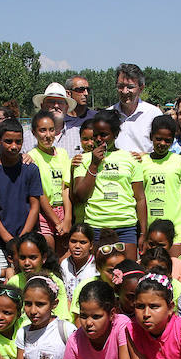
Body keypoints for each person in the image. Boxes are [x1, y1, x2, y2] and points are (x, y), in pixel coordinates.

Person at [72, 109, 147, 259]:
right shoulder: (83, 159)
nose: (99, 139)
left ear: (115, 134)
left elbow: (140, 198)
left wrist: (143, 232)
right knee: (98, 275)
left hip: (125, 226)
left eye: (104, 135)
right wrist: (94, 164)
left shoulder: (131, 159)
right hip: (96, 225)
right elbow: (80, 196)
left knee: (128, 274)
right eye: (96, 135)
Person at [0, 119, 43, 287]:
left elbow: (35, 206)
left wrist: (21, 238)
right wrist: (8, 239)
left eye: (18, 141)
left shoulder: (30, 169)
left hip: (27, 240)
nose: (14, 146)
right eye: (8, 141)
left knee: (30, 285)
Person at [27, 110, 73, 253]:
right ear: (34, 133)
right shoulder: (32, 157)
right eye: (42, 130)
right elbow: (40, 194)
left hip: (63, 211)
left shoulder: (63, 154)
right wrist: (56, 222)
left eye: (51, 130)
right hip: (44, 214)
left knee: (65, 256)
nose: (48, 135)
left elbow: (66, 188)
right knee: (49, 255)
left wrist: (67, 219)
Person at [143, 115, 181, 250]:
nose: (162, 143)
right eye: (158, 139)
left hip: (176, 230)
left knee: (175, 269)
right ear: (151, 136)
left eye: (167, 140)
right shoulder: (142, 162)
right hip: (151, 231)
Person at [5, 232, 71, 321]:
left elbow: (62, 317)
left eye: (32, 257)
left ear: (43, 258)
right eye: (22, 258)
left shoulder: (54, 282)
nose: (27, 263)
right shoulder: (14, 282)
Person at [111, 63, 163, 154]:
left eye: (130, 87)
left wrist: (145, 156)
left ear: (141, 88)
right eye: (121, 86)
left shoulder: (154, 114)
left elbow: (164, 147)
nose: (125, 91)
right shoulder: (108, 114)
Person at [23, 83, 82, 157]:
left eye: (60, 102)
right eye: (51, 101)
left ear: (67, 107)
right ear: (42, 106)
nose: (56, 106)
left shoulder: (79, 136)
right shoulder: (26, 138)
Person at [60, 223, 97, 300]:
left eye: (83, 242)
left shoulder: (96, 266)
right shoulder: (64, 264)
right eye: (73, 241)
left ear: (91, 245)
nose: (77, 246)